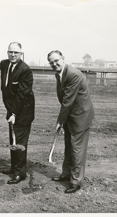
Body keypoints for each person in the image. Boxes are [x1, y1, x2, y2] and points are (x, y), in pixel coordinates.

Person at [47, 50, 94, 193]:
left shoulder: (73, 74)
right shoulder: (59, 74)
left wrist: (59, 121)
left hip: (80, 116)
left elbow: (67, 101)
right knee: (69, 145)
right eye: (51, 62)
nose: (54, 64)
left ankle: (76, 181)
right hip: (70, 115)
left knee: (77, 149)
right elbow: (64, 99)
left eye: (56, 60)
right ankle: (66, 174)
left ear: (63, 58)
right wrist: (63, 120)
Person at [0, 42, 35, 184]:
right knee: (12, 139)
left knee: (19, 141)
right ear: (7, 52)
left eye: (16, 53)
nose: (13, 55)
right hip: (12, 109)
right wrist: (10, 111)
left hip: (23, 111)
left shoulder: (25, 70)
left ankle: (20, 173)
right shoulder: (4, 64)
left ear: (21, 54)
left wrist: (14, 113)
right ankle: (14, 167)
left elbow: (22, 95)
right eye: (10, 52)